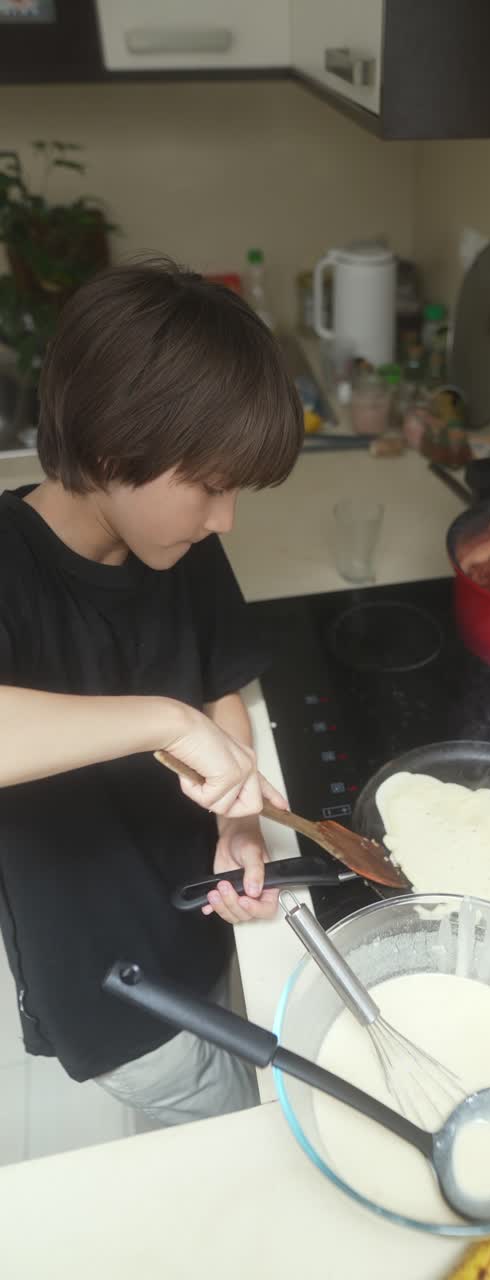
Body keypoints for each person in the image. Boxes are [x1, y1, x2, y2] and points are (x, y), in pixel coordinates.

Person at [0, 258, 304, 1125]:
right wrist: (161, 721)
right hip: (115, 992)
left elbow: (219, 687)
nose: (226, 518)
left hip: (195, 921)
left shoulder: (180, 550)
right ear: (109, 452)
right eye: (210, 486)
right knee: (226, 1135)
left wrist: (235, 816)